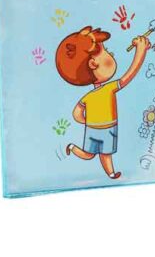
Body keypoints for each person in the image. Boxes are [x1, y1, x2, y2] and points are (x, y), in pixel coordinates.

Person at [55, 25, 150, 179]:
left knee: (100, 154)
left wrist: (87, 120)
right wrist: (140, 51)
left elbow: (76, 114)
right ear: (93, 64)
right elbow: (129, 75)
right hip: (105, 128)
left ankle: (110, 173)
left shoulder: (88, 96)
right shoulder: (108, 89)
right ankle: (72, 148)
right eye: (106, 53)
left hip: (99, 128)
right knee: (96, 154)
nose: (111, 54)